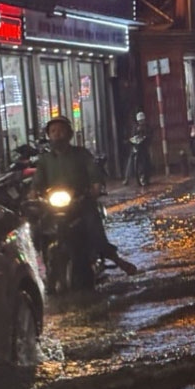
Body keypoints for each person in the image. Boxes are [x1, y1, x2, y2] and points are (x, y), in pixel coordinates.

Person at [31, 116, 137, 277]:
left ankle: (115, 258)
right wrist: (33, 194)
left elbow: (94, 173)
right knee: (37, 227)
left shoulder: (81, 154)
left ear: (69, 134)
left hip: (80, 203)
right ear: (48, 135)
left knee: (93, 225)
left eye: (60, 130)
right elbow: (37, 181)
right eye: (53, 131)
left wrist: (95, 187)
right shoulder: (45, 160)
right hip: (54, 205)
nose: (57, 134)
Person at [123, 111, 150, 186]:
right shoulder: (135, 127)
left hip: (143, 146)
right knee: (130, 159)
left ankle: (145, 176)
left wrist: (146, 137)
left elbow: (150, 135)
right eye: (140, 121)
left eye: (142, 120)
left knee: (146, 159)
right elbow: (132, 135)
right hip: (136, 146)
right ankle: (126, 178)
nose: (141, 122)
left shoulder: (147, 127)